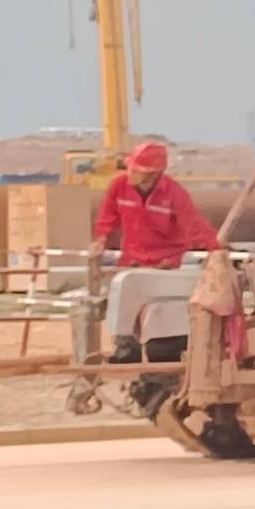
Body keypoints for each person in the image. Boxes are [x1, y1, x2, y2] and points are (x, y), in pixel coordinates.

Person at [88, 138, 218, 362]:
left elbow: (194, 225)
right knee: (123, 291)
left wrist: (216, 249)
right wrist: (100, 239)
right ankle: (126, 348)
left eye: (135, 169)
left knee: (130, 289)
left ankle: (133, 349)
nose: (129, 173)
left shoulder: (174, 194)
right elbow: (107, 217)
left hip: (166, 264)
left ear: (152, 174)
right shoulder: (119, 187)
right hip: (133, 260)